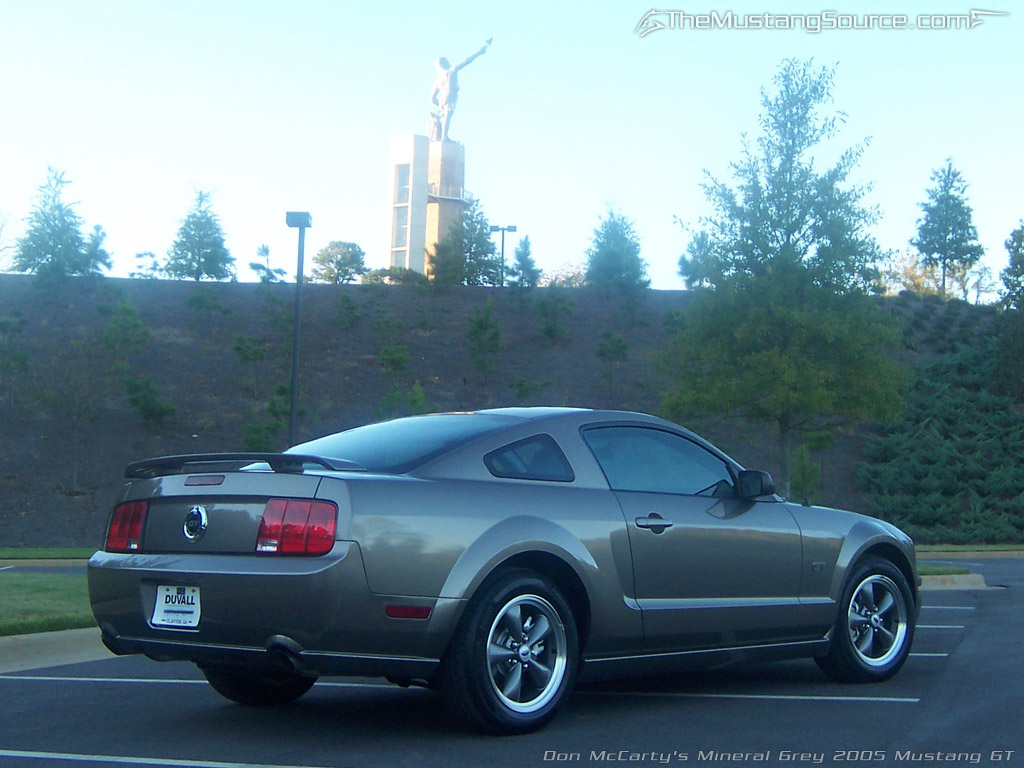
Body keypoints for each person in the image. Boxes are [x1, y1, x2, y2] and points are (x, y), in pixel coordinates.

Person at [430, 38, 491, 142]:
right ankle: (444, 136)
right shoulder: (451, 71)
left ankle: (444, 134)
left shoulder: (438, 79)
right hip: (451, 96)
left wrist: (439, 104)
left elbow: (431, 98)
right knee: (447, 117)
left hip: (443, 98)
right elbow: (465, 61)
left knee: (446, 115)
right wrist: (479, 52)